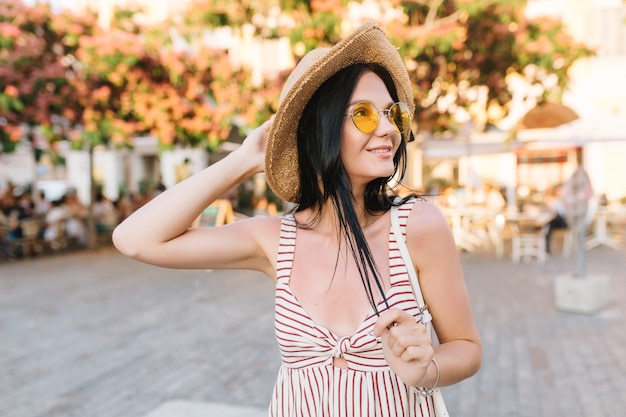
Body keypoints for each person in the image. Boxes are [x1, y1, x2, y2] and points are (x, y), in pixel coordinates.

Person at [113, 22, 481, 416]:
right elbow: (135, 239)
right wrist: (244, 161)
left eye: (394, 114)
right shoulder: (274, 240)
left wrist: (426, 371)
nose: (389, 129)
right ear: (319, 129)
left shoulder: (416, 227)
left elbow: (466, 347)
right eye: (363, 114)